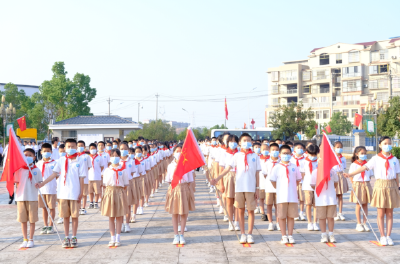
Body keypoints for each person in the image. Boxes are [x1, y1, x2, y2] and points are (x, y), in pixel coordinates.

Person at [344, 137, 400, 246]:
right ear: (380, 145)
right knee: (381, 213)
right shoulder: (375, 158)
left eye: (389, 143)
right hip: (380, 185)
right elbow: (364, 168)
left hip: (392, 186)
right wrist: (350, 174)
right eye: (385, 143)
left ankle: (388, 236)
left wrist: (398, 187)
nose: (387, 145)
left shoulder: (394, 159)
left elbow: (397, 175)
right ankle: (382, 236)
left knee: (390, 213)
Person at [36, 138, 86, 248]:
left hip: (74, 193)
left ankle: (74, 236)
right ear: (65, 148)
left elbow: (82, 178)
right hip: (63, 194)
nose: (71, 149)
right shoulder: (61, 160)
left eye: (73, 146)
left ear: (76, 147)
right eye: (68, 147)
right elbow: (54, 174)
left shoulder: (80, 161)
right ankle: (66, 237)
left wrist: (81, 192)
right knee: (65, 216)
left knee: (75, 216)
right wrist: (42, 183)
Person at [212, 133, 261, 244]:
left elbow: (257, 174)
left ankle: (250, 234)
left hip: (251, 188)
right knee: (240, 210)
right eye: (244, 140)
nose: (246, 142)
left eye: (248, 140)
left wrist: (257, 188)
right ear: (240, 143)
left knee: (251, 211)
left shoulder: (255, 156)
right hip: (239, 187)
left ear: (251, 142)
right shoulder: (237, 156)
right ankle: (243, 234)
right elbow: (227, 168)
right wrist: (217, 178)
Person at [270, 145, 302, 244]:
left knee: (291, 216)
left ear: (291, 154)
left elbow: (298, 179)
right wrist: (280, 188)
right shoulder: (277, 167)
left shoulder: (294, 166)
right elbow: (273, 181)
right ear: (280, 155)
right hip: (281, 196)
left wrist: (291, 187)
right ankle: (283, 235)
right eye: (284, 153)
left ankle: (290, 235)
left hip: (292, 196)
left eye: (287, 153)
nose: (286, 155)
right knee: (282, 217)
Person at [165, 144, 195, 245]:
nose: (179, 153)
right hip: (174, 189)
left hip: (185, 189)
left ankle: (182, 234)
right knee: (175, 212)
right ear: (173, 153)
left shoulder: (187, 165)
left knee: (184, 213)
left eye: (181, 151)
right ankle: (175, 234)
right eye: (177, 151)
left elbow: (190, 180)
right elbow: (169, 180)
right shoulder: (170, 166)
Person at [101, 149, 129, 247]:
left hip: (120, 192)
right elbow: (105, 184)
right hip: (109, 192)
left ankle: (118, 237)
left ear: (120, 157)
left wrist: (119, 190)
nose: (114, 157)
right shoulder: (107, 170)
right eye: (112, 156)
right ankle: (112, 237)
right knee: (111, 216)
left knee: (119, 216)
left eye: (116, 155)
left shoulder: (123, 170)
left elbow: (125, 184)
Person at [15, 148, 42, 248]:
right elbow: (16, 183)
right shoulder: (19, 170)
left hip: (32, 198)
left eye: (30, 155)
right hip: (21, 198)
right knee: (23, 220)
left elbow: (40, 182)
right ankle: (25, 239)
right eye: (25, 155)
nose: (27, 157)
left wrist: (39, 184)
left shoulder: (36, 170)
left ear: (34, 157)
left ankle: (31, 239)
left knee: (32, 220)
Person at [310, 162, 339, 243]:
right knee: (322, 217)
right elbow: (312, 184)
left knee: (331, 217)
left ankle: (331, 234)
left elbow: (336, 182)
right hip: (320, 198)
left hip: (331, 198)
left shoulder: (332, 171)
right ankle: (323, 234)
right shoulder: (315, 172)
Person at [218, 134, 240, 231]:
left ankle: (237, 222)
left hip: (239, 177)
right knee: (229, 201)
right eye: (231, 142)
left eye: (235, 142)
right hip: (228, 177)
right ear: (227, 143)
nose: (233, 144)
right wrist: (221, 183)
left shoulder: (240, 153)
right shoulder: (224, 154)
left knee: (238, 202)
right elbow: (221, 169)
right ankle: (231, 222)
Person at [348, 146, 373, 232]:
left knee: (365, 204)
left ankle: (364, 223)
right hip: (357, 185)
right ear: (356, 154)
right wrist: (354, 185)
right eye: (362, 153)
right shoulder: (354, 164)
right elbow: (351, 176)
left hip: (366, 184)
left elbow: (370, 175)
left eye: (365, 153)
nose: (363, 155)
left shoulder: (368, 164)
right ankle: (358, 223)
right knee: (359, 204)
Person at [37, 143, 57, 235]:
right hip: (41, 190)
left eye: (48, 151)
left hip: (51, 189)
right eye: (44, 151)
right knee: (44, 208)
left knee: (51, 208)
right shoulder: (38, 164)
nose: (46, 153)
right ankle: (45, 225)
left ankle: (51, 225)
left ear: (51, 152)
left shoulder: (55, 163)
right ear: (41, 152)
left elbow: (56, 176)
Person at [262, 142, 280, 231]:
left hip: (279, 188)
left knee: (278, 206)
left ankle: (278, 222)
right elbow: (265, 174)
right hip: (269, 188)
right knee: (269, 205)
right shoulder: (267, 163)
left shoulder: (281, 163)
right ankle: (270, 223)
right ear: (269, 151)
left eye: (277, 150)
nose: (275, 152)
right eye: (273, 150)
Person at [302, 144, 319, 231]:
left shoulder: (319, 161)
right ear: (307, 153)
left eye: (314, 155)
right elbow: (302, 174)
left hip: (317, 186)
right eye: (311, 154)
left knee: (316, 205)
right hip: (307, 186)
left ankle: (315, 222)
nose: (312, 156)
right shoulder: (304, 162)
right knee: (308, 204)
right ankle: (309, 222)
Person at [291, 142, 306, 221]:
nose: (299, 150)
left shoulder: (305, 159)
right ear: (294, 149)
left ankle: (301, 212)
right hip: (293, 182)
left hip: (302, 181)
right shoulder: (291, 159)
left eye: (301, 148)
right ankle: (295, 213)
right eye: (298, 148)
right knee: (294, 198)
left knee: (302, 198)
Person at [333, 141, 348, 221]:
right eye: (337, 147)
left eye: (340, 147)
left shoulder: (343, 158)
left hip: (341, 175)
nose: (339, 149)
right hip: (334, 176)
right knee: (334, 195)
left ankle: (340, 213)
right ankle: (334, 213)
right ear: (334, 148)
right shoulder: (332, 157)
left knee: (340, 196)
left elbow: (344, 167)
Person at [88, 143, 105, 209]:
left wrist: (98, 172)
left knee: (97, 191)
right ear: (89, 149)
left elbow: (102, 166)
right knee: (90, 191)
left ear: (96, 149)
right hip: (89, 177)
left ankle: (96, 203)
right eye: (91, 149)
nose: (93, 150)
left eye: (94, 149)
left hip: (97, 177)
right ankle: (91, 202)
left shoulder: (99, 158)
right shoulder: (88, 157)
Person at [77, 140, 92, 215]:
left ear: (84, 147)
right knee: (77, 193)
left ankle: (83, 208)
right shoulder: (75, 156)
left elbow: (89, 167)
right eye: (78, 146)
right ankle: (78, 207)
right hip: (76, 179)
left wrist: (84, 172)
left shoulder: (87, 156)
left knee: (84, 194)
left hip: (85, 178)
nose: (80, 147)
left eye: (81, 146)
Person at [258, 143, 270, 221]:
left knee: (269, 200)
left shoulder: (272, 159)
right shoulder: (258, 159)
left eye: (266, 149)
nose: (265, 151)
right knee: (261, 198)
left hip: (270, 183)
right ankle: (262, 212)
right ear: (261, 150)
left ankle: (269, 214)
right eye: (263, 149)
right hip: (261, 182)